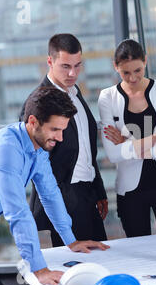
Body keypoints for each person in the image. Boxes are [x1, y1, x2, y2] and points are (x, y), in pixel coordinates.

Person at [0, 87, 110, 285]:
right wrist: (39, 269)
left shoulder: (37, 148)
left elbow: (50, 193)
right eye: (55, 130)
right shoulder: (7, 150)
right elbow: (17, 213)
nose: (60, 138)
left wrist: (71, 240)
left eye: (63, 130)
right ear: (33, 121)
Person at [19, 34, 108, 247]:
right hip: (63, 197)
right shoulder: (37, 103)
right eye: (65, 66)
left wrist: (98, 190)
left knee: (101, 257)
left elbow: (87, 149)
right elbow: (35, 161)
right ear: (49, 61)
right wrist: (62, 200)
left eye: (78, 66)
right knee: (79, 266)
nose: (73, 73)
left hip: (86, 193)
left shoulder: (75, 94)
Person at [98, 39, 156, 237]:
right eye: (125, 72)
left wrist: (128, 145)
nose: (133, 78)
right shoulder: (107, 97)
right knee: (137, 249)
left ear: (145, 61)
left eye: (138, 70)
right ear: (115, 67)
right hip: (130, 191)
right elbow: (113, 154)